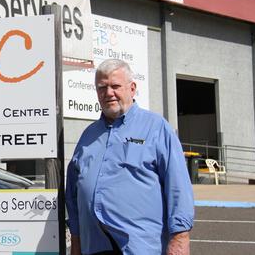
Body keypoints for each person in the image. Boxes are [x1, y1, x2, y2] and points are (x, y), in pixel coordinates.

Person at [65, 59, 194, 255]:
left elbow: (178, 187)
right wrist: (76, 241)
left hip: (140, 248)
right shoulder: (88, 136)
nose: (109, 93)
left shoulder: (156, 128)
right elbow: (73, 194)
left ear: (132, 88)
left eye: (115, 86)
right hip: (95, 247)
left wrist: (180, 239)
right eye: (102, 87)